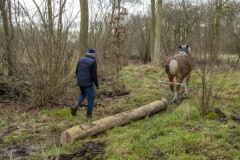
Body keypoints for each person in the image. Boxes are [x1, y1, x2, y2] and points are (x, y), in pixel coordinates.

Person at [71, 48, 99, 118]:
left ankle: (75, 106)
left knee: (83, 94)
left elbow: (77, 71)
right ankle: (89, 115)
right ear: (92, 54)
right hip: (88, 83)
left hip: (80, 81)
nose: (94, 55)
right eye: (94, 54)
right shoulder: (93, 62)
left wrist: (79, 79)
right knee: (91, 98)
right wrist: (97, 84)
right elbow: (94, 76)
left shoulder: (80, 59)